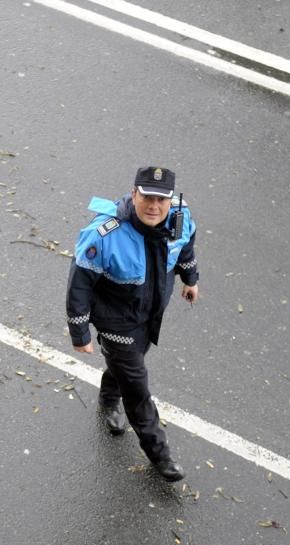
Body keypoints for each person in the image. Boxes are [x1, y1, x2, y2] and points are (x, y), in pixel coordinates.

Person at [65, 166, 200, 482]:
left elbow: (186, 246)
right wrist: (80, 332)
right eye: (147, 197)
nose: (154, 206)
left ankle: (108, 398)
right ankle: (159, 455)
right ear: (134, 193)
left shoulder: (181, 218)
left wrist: (190, 278)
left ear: (172, 200)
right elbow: (79, 283)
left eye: (161, 200)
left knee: (128, 365)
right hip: (115, 321)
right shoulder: (105, 235)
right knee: (137, 388)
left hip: (149, 315)